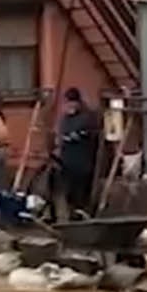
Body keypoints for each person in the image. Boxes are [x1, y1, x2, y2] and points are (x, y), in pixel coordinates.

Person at [55, 87, 100, 219]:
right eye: (67, 103)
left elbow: (90, 134)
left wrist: (76, 136)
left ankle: (82, 214)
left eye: (72, 103)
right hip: (67, 161)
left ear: (78, 103)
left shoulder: (87, 117)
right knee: (69, 190)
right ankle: (72, 213)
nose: (69, 106)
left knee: (82, 190)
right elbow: (61, 134)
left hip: (83, 161)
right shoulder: (65, 119)